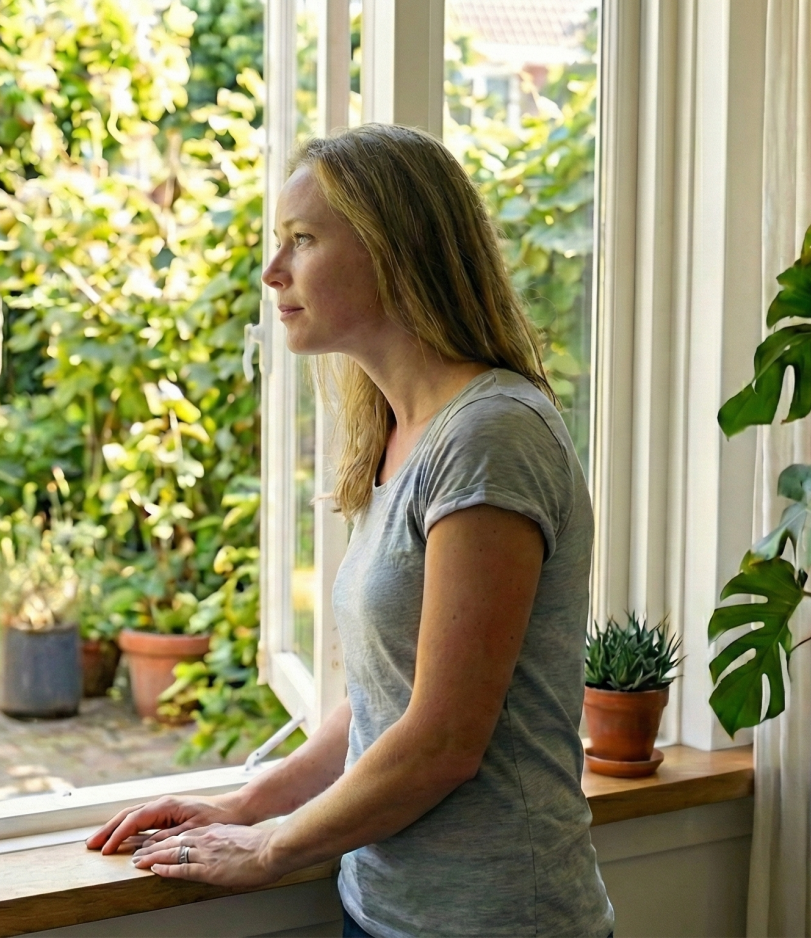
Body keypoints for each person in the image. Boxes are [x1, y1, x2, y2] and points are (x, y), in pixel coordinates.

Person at [85, 123, 616, 938]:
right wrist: (245, 803)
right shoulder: (406, 434)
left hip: (501, 920)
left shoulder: (492, 436)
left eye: (302, 241)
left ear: (395, 251)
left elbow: (442, 742)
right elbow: (385, 701)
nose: (273, 273)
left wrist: (266, 850)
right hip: (385, 910)